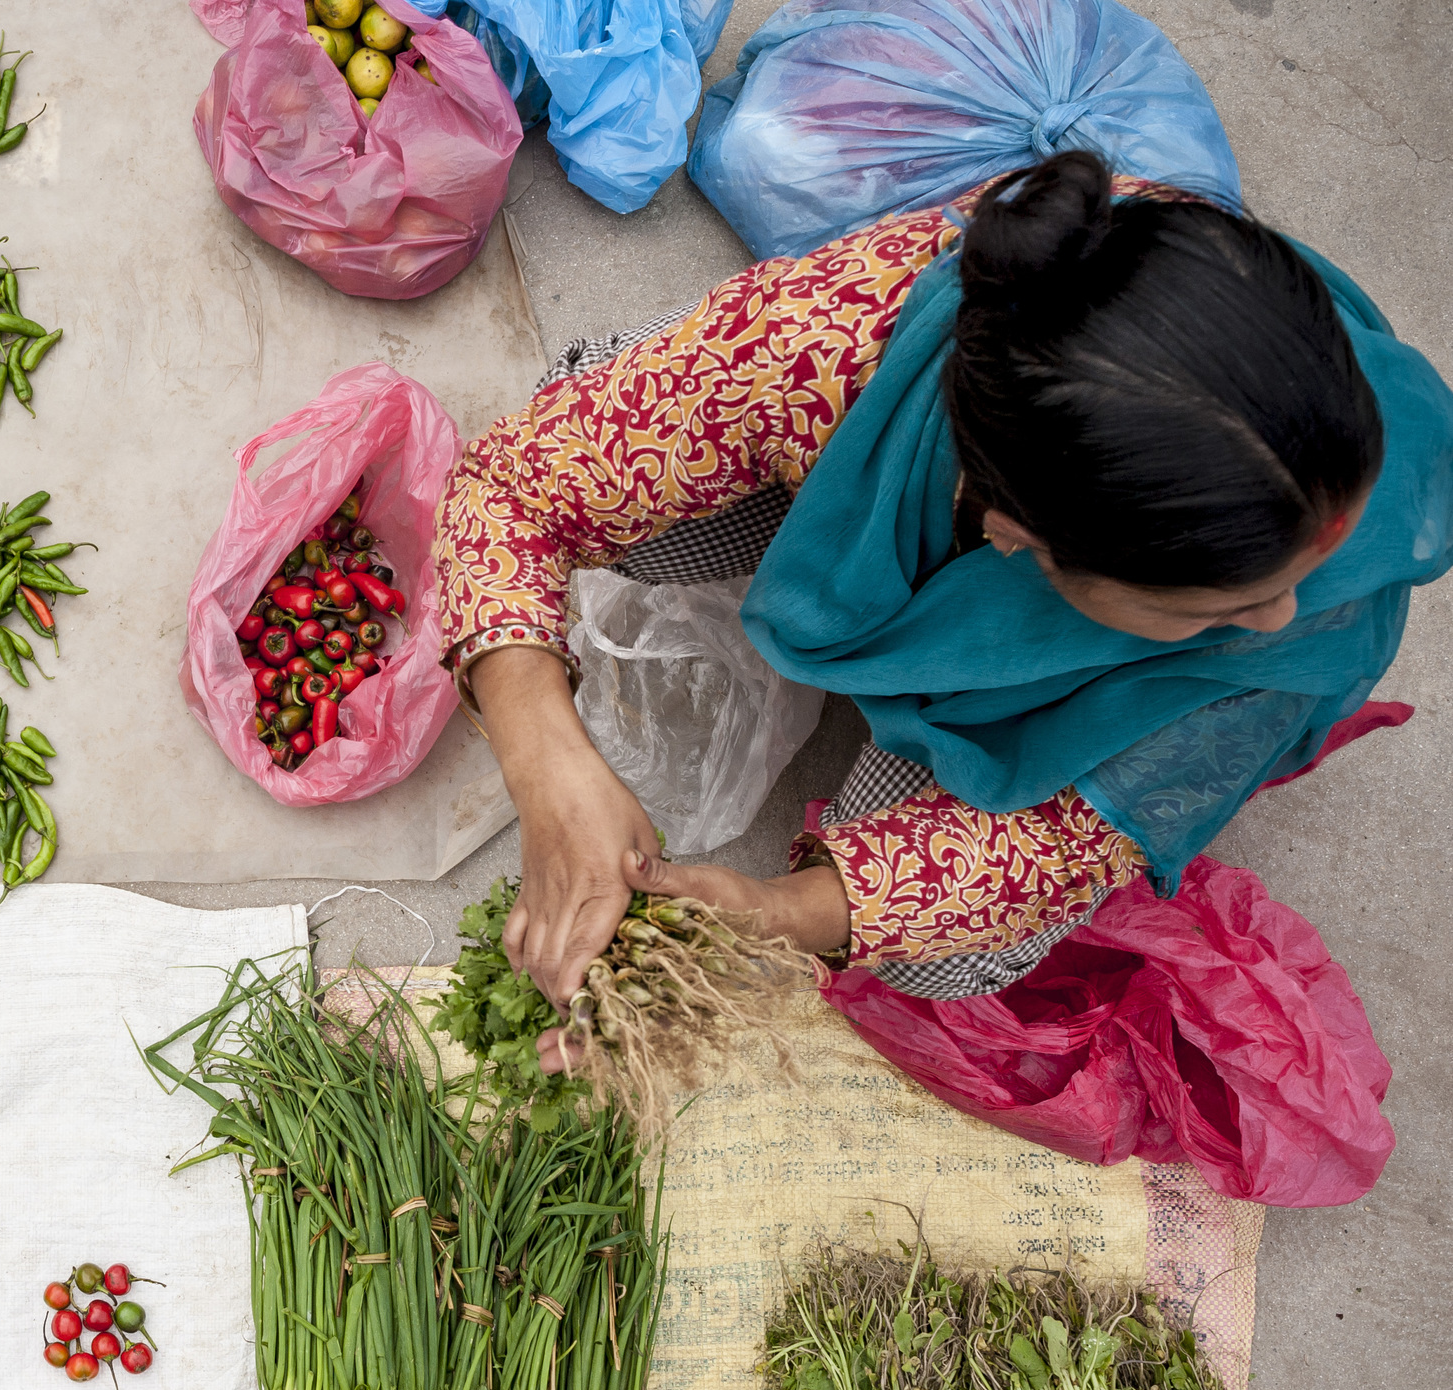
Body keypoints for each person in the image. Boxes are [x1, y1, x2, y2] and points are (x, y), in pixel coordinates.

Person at [440, 150, 1453, 1016]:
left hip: (1057, 697)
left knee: (954, 949)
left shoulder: (1314, 615)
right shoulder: (832, 340)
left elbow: (1055, 845)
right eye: (1220, 608)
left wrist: (774, 912)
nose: (1278, 618)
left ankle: (935, 711)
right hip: (914, 469)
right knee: (609, 451)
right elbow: (512, 490)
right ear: (1015, 534)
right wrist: (547, 766)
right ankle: (865, 610)